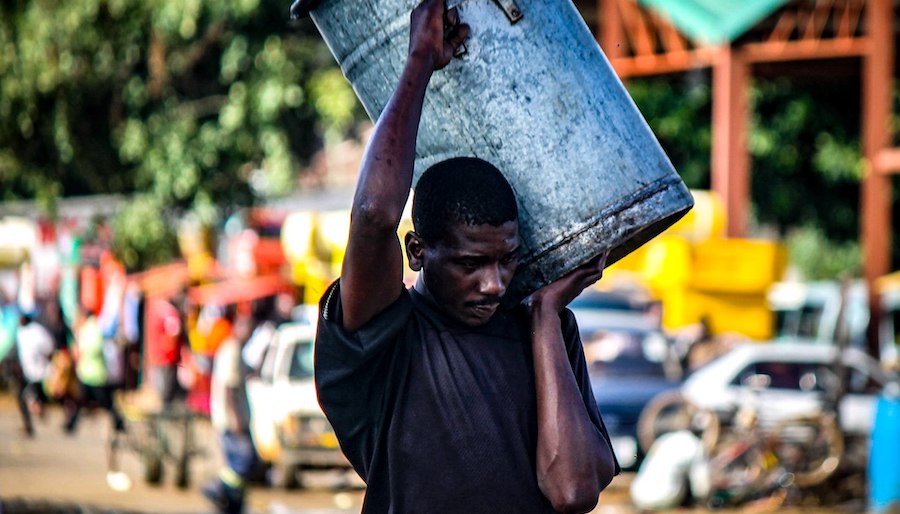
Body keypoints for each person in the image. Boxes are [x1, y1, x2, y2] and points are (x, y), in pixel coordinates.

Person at [313, 1, 619, 512]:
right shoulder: (384, 336)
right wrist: (418, 63)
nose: (495, 284)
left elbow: (571, 491)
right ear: (418, 252)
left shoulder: (546, 332)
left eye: (507, 260)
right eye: (469, 264)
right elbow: (373, 216)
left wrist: (545, 316)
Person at [202, 315, 257, 514]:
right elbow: (229, 388)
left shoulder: (232, 349)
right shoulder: (232, 349)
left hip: (230, 418)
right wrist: (236, 421)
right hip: (231, 420)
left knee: (239, 463)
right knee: (244, 460)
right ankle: (217, 488)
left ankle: (233, 502)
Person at [15, 312, 55, 437]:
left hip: (38, 373)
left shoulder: (37, 331)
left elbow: (49, 348)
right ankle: (29, 423)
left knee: (26, 398)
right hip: (28, 373)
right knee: (22, 398)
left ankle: (37, 411)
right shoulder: (21, 332)